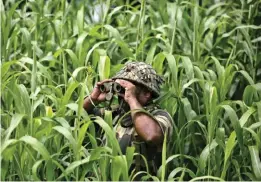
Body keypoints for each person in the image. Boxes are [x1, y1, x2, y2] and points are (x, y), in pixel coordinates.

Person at [83, 62, 173, 175]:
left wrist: (131, 98)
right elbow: (77, 117)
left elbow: (151, 135)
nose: (123, 91)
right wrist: (93, 99)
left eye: (129, 87)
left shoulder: (159, 115)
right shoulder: (113, 114)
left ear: (147, 93)